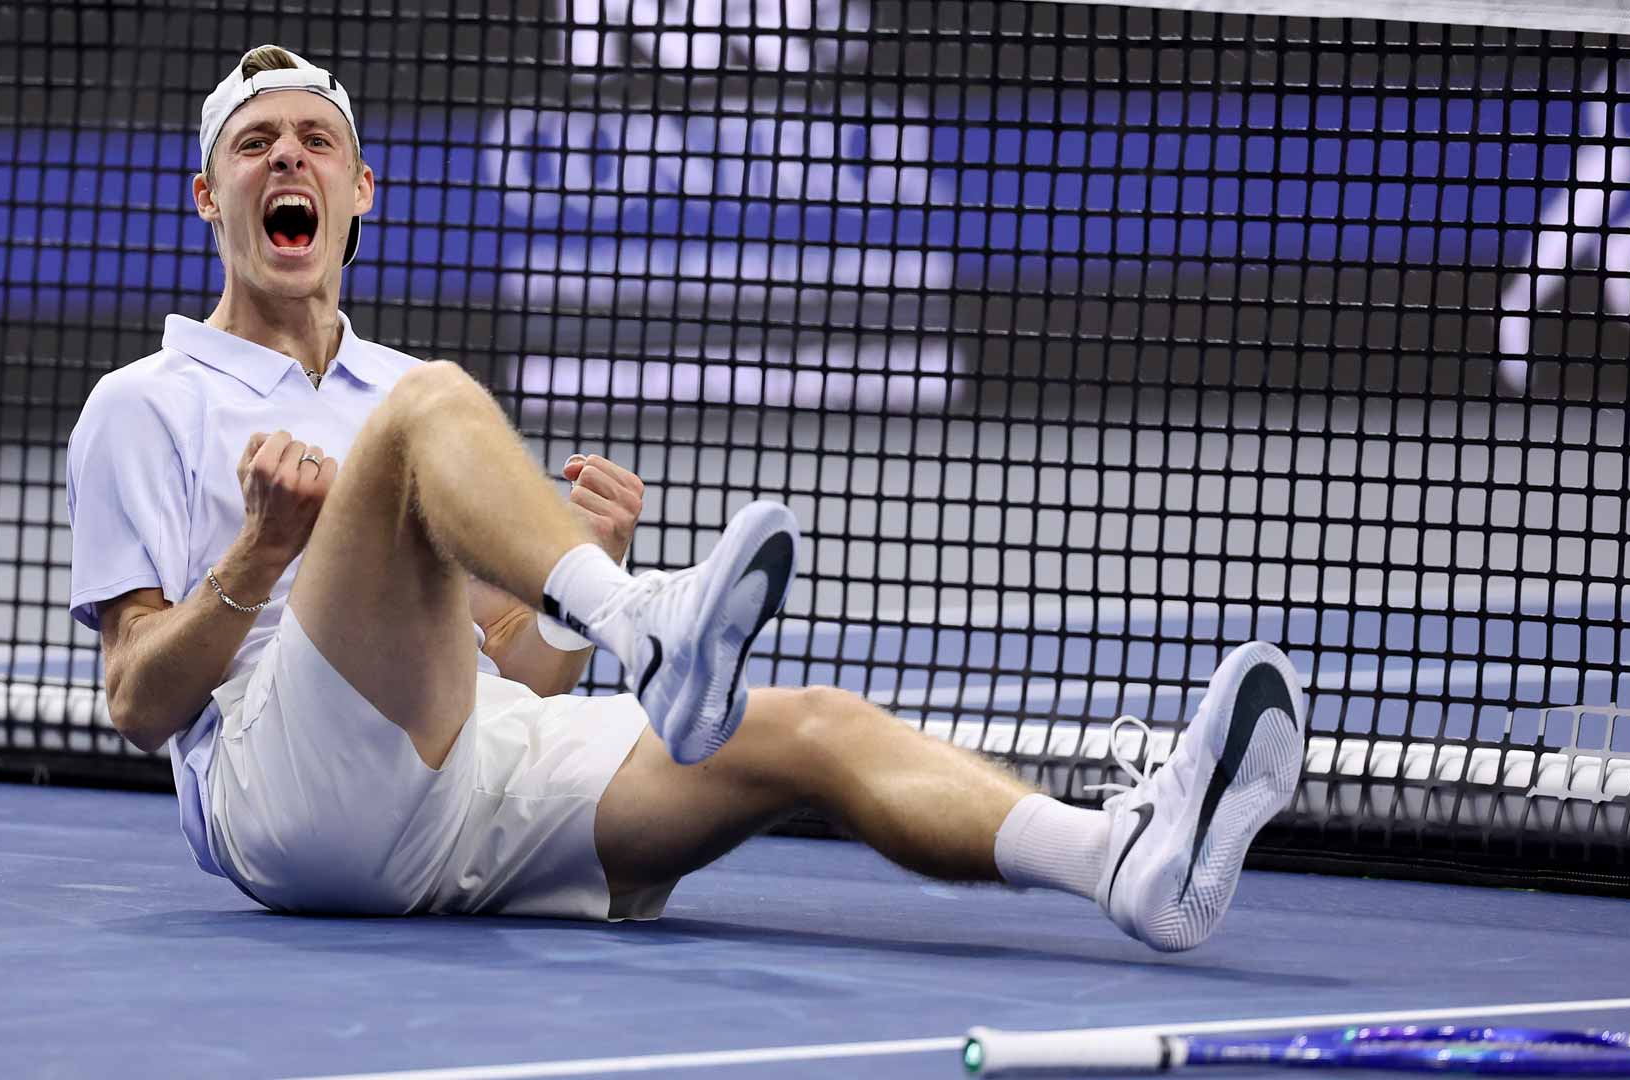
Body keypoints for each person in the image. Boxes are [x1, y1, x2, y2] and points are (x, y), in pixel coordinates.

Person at [65, 44, 1307, 951]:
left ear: (358, 193)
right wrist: (260, 558)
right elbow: (136, 702)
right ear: (210, 199)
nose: (288, 156)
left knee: (812, 727)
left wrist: (555, 614)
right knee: (432, 407)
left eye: (315, 142)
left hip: (466, 787)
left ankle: (1122, 863)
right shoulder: (148, 400)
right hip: (284, 808)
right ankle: (643, 626)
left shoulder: (395, 386)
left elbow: (509, 681)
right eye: (253, 145)